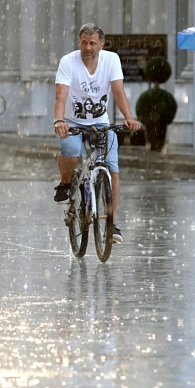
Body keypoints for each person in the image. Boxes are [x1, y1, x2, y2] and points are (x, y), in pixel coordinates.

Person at [52, 23, 140, 244]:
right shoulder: (68, 62)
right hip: (72, 122)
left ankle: (112, 223)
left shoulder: (111, 60)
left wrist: (129, 117)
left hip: (101, 123)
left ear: (102, 44)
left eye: (92, 43)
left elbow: (118, 92)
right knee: (71, 150)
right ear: (79, 42)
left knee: (112, 168)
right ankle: (65, 184)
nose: (87, 47)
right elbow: (60, 95)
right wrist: (59, 120)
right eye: (84, 42)